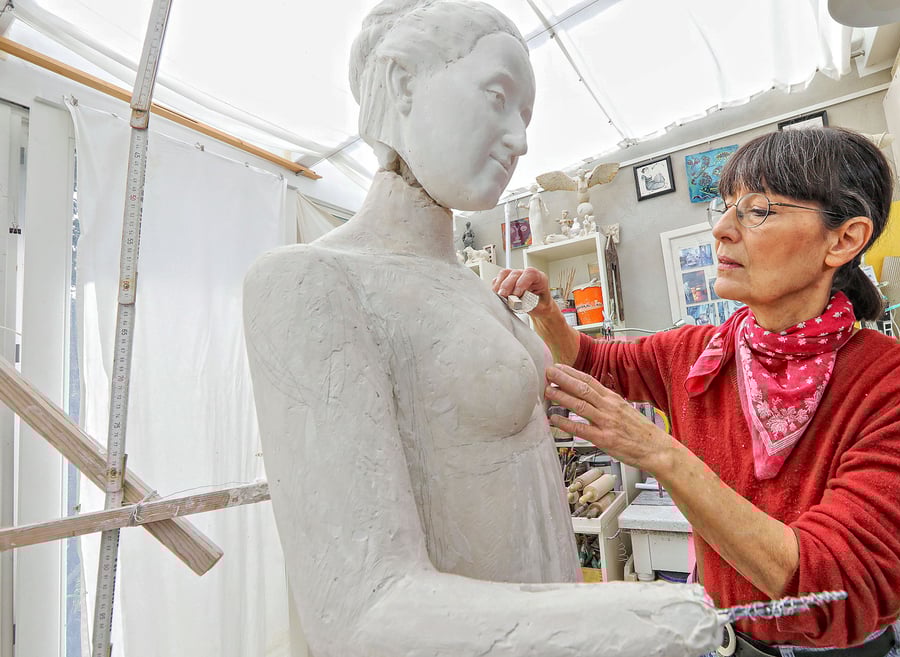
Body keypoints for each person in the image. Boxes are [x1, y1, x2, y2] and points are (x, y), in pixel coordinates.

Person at [243, 1, 719, 656]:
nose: (521, 140)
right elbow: (361, 613)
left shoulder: (482, 289)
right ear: (403, 81)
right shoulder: (311, 280)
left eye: (525, 116)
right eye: (498, 96)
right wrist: (642, 618)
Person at [495, 128, 900, 655]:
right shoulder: (699, 353)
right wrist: (548, 315)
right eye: (725, 208)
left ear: (843, 240)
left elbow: (831, 591)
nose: (723, 230)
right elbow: (595, 362)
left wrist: (661, 454)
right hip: (724, 638)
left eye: (759, 211)